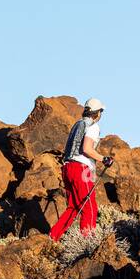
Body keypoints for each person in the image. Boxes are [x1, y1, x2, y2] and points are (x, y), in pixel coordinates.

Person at [49, 98, 114, 241]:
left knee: (73, 207)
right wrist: (104, 159)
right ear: (97, 113)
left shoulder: (77, 124)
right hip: (81, 169)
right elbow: (86, 149)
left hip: (67, 168)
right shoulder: (93, 126)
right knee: (89, 206)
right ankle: (88, 242)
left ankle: (53, 237)